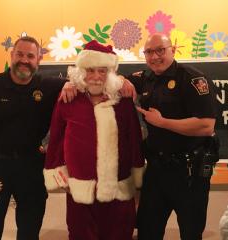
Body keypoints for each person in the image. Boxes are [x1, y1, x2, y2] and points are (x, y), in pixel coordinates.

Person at [60, 33, 219, 240]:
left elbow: (206, 126)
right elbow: (110, 77)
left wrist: (162, 123)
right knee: (147, 230)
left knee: (190, 231)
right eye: (149, 52)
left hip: (189, 174)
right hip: (156, 171)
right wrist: (70, 84)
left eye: (160, 50)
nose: (155, 57)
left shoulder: (193, 79)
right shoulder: (145, 78)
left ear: (173, 49)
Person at [0, 36, 64, 240]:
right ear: (12, 55)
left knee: (30, 228)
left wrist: (123, 81)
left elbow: (84, 82)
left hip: (31, 169)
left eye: (30, 56)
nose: (24, 60)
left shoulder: (49, 86)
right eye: (20, 54)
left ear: (38, 60)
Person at [43, 40, 145, 240]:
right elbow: (55, 138)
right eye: (90, 70)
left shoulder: (122, 100)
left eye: (102, 70)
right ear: (81, 72)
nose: (96, 77)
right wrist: (57, 172)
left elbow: (134, 138)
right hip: (81, 187)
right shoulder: (69, 99)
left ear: (110, 73)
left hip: (118, 187)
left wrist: (137, 175)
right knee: (81, 234)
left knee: (118, 234)